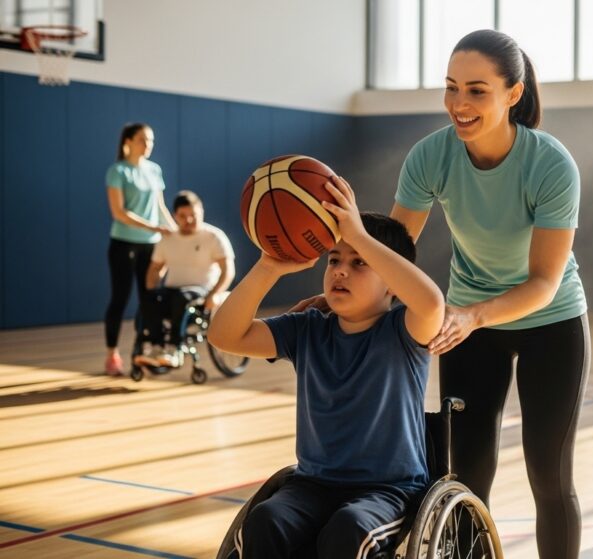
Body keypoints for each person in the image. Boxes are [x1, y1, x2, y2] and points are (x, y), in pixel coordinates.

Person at [390, 29, 590, 559]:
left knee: (548, 473)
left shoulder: (549, 164)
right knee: (467, 474)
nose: (459, 104)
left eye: (477, 90)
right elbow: (395, 249)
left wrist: (474, 314)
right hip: (471, 325)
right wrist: (344, 287)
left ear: (513, 94)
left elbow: (544, 282)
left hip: (550, 320)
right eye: (451, 87)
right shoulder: (431, 156)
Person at [207, 177, 445, 558]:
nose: (340, 271)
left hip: (389, 490)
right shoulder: (307, 329)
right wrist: (268, 268)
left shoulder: (404, 331)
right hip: (313, 485)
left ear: (392, 285)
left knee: (348, 530)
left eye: (360, 263)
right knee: (265, 520)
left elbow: (432, 303)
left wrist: (358, 234)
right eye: (334, 259)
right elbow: (223, 335)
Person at [104, 122, 176, 376]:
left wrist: (175, 230)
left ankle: (149, 349)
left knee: (149, 298)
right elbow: (119, 212)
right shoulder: (117, 171)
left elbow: (160, 207)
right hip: (123, 245)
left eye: (151, 140)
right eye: (143, 140)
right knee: (120, 298)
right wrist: (155, 228)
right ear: (128, 142)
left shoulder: (155, 170)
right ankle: (112, 354)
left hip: (151, 247)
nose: (148, 145)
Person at [136, 190, 235, 368]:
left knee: (181, 297)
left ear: (201, 212)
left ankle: (175, 348)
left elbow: (228, 270)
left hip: (201, 291)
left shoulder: (214, 236)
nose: (188, 220)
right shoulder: (167, 239)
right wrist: (151, 292)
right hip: (173, 291)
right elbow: (155, 269)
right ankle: (157, 346)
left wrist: (214, 294)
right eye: (183, 216)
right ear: (175, 216)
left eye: (193, 215)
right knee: (148, 297)